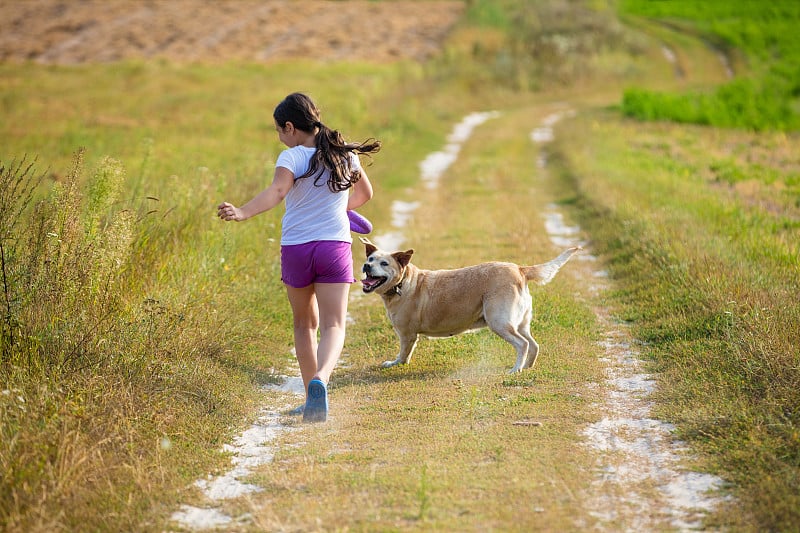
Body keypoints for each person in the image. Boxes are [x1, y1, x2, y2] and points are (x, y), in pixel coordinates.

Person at [217, 92, 380, 422]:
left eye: (279, 130)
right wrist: (336, 208)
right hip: (333, 246)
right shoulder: (345, 155)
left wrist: (243, 212)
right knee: (334, 324)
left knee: (304, 325)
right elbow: (365, 194)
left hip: (297, 248)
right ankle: (322, 379)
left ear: (290, 127)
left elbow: (277, 192)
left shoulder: (290, 158)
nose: (279, 136)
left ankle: (310, 398)